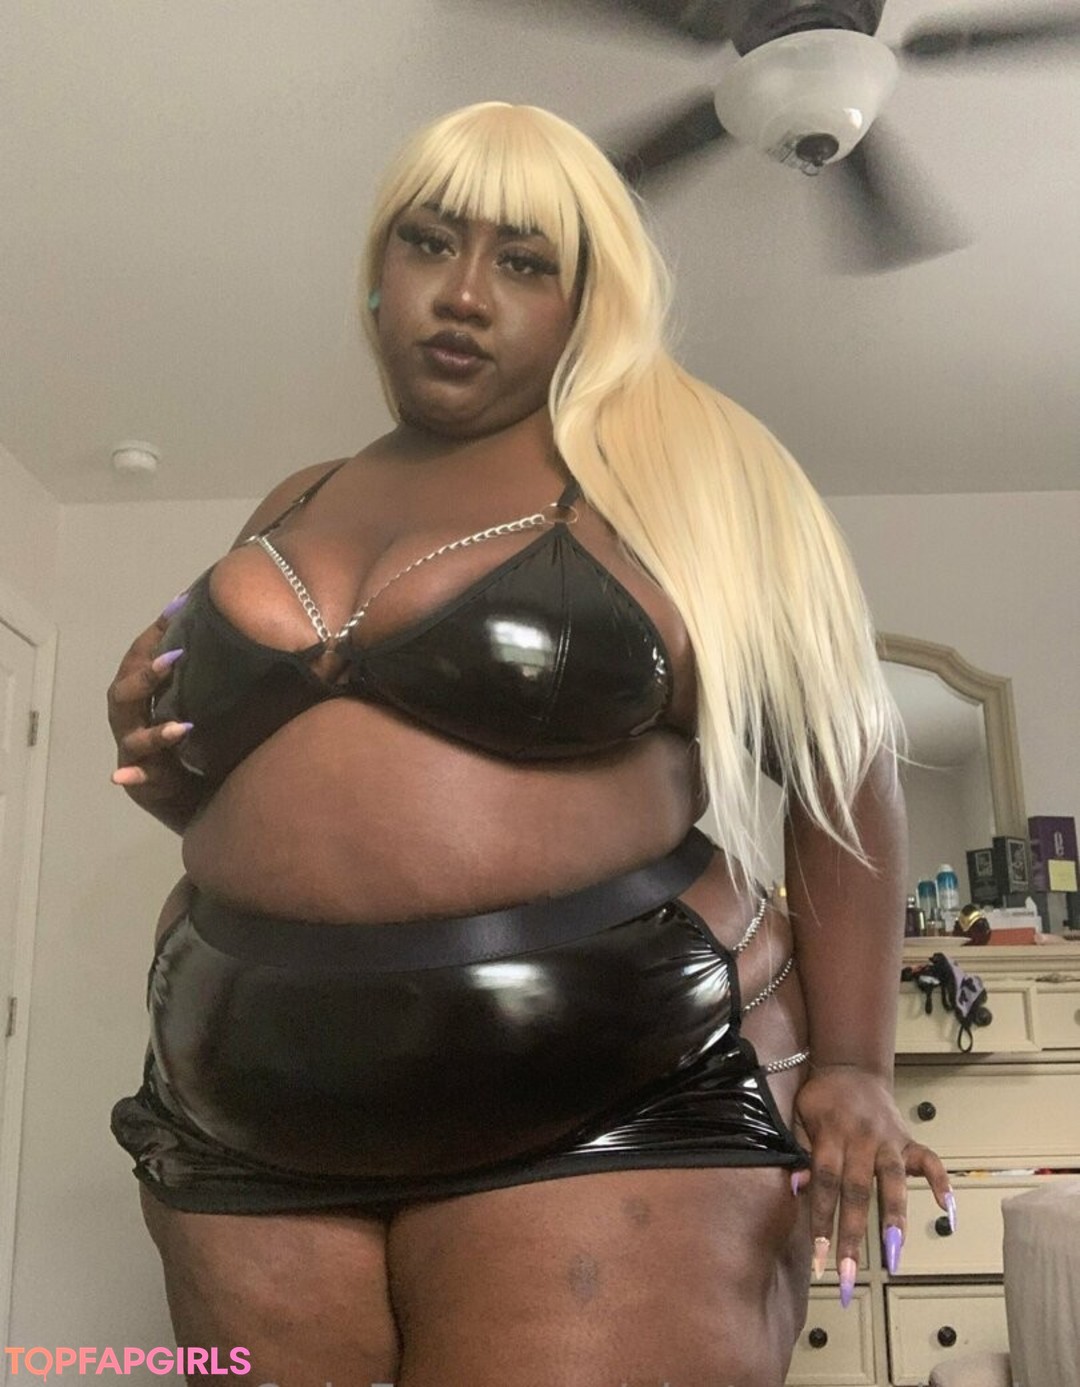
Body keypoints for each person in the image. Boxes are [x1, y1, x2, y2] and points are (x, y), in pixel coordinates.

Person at [107, 101, 950, 1387]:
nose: (462, 293)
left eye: (524, 261)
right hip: (238, 1105)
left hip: (610, 1095)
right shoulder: (297, 496)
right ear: (377, 273)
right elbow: (306, 802)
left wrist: (853, 1063)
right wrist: (172, 765)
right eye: (428, 243)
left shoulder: (683, 472)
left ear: (585, 301)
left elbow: (844, 764)